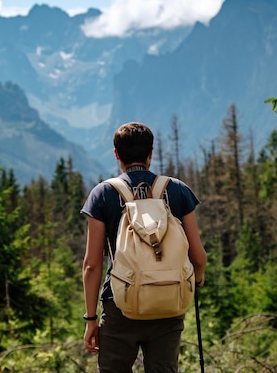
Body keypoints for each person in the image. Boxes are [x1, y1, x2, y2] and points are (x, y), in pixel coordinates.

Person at [81, 121, 207, 373]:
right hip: (168, 302)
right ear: (151, 153)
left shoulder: (103, 194)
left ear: (117, 154)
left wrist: (91, 319)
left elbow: (91, 265)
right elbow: (199, 256)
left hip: (119, 305)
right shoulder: (177, 190)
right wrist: (197, 280)